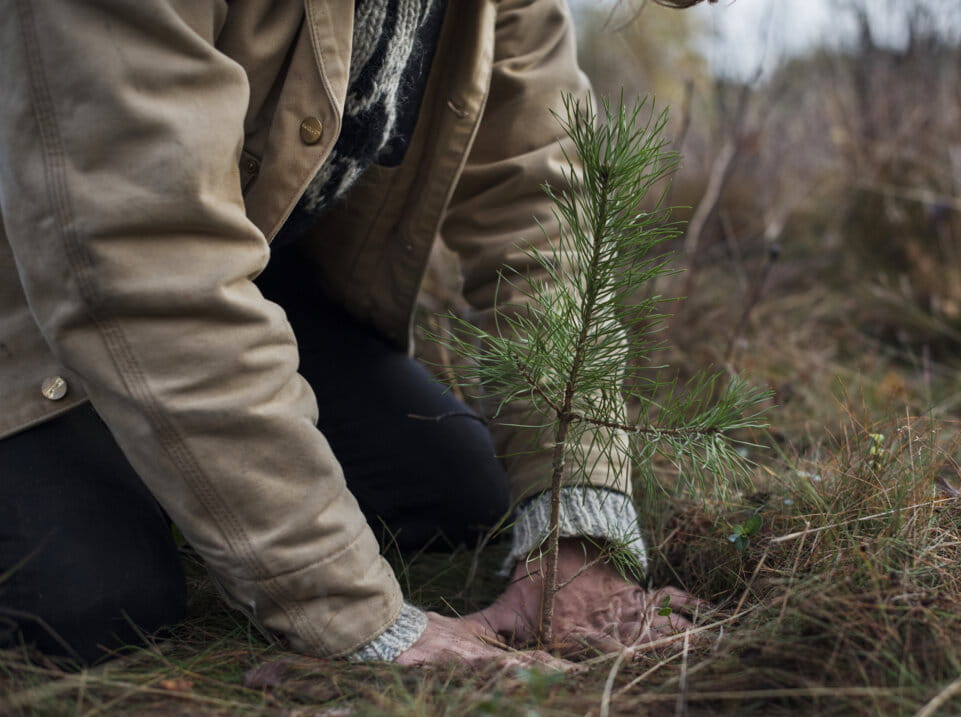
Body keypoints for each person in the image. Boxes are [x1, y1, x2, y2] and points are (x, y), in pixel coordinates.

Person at [0, 0, 711, 667]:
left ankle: (174, 460)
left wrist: (576, 529)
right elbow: (143, 244)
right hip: (39, 275)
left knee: (455, 497)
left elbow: (539, 214)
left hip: (238, 271)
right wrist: (362, 621)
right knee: (92, 603)